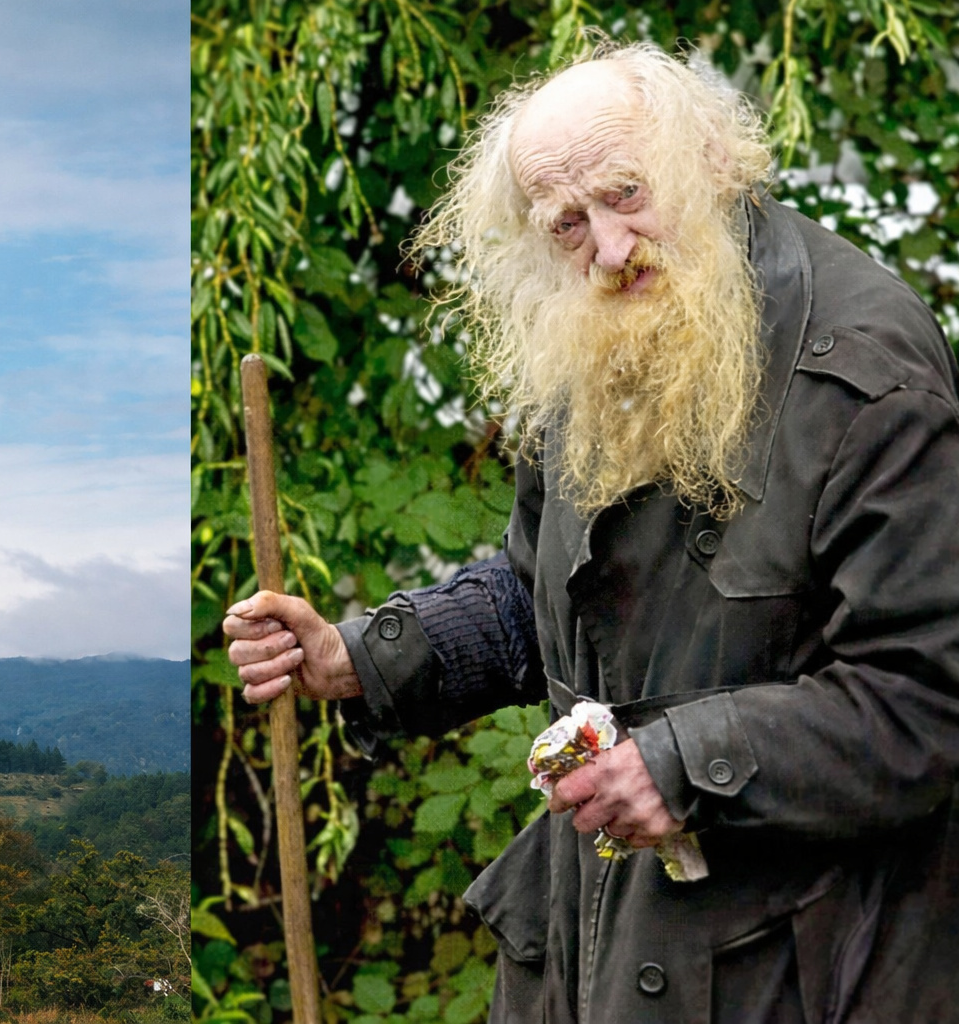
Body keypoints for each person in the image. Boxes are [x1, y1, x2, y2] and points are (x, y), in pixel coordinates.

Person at [226, 42, 959, 1023]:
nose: (609, 248)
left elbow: (925, 701)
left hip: (797, 970)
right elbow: (543, 599)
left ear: (710, 160)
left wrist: (685, 763)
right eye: (569, 223)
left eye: (627, 193)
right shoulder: (604, 331)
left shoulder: (868, 375)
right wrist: (357, 655)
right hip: (590, 952)